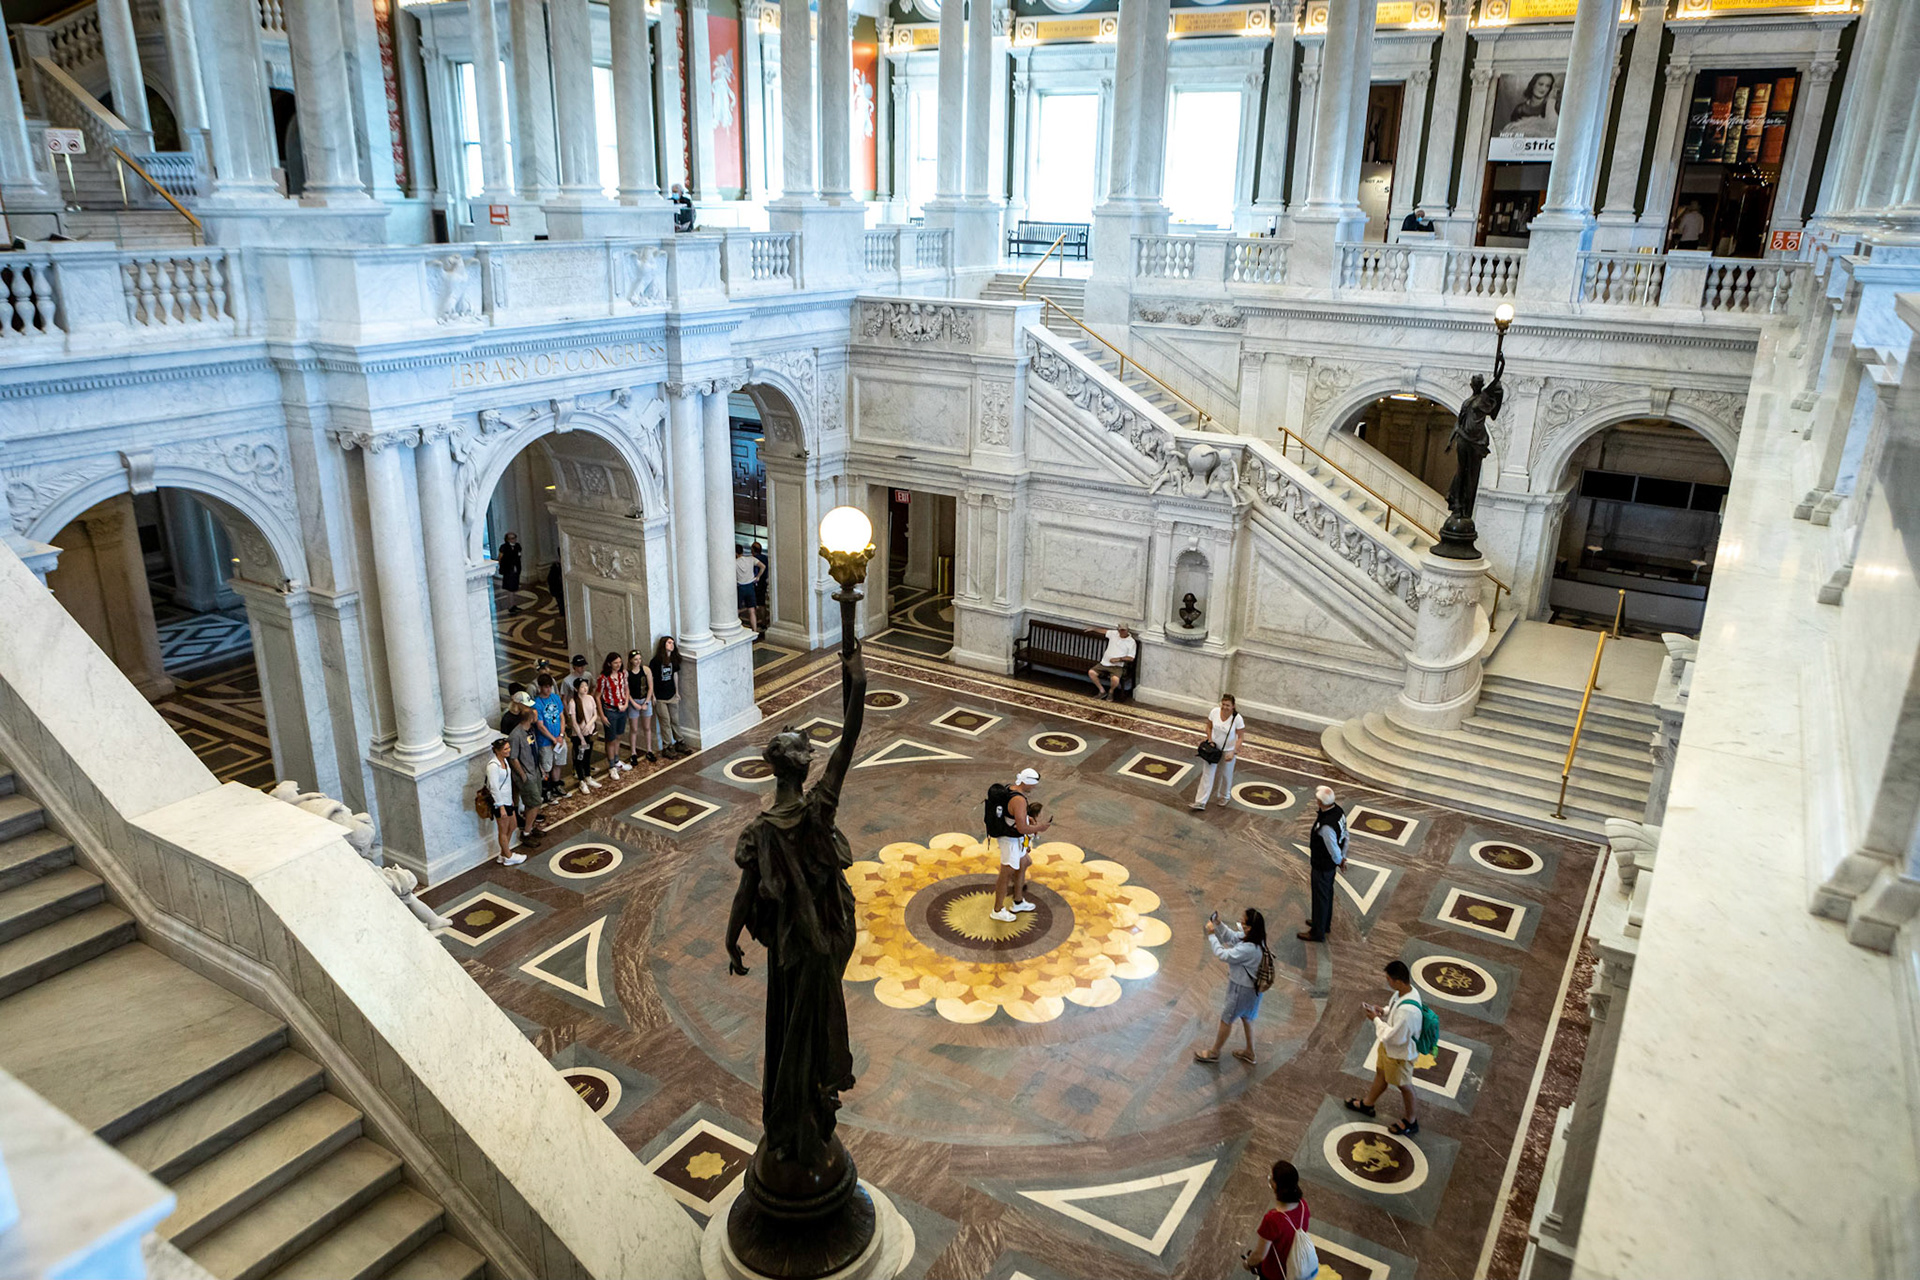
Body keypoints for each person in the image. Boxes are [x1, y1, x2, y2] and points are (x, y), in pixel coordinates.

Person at [1345, 959, 1424, 1136]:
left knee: (1404, 1086)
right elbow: (1395, 1008)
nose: (1387, 982)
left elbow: (1395, 1037)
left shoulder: (1408, 1012)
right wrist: (1384, 1011)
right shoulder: (1404, 992)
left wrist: (1375, 1019)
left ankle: (1411, 1120)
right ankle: (1368, 1104)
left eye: (1389, 979)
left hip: (1400, 1055)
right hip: (1389, 1050)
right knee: (1381, 1073)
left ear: (1398, 981)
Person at [1194, 907, 1268, 1064]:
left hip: (1241, 990)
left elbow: (1223, 954)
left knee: (1227, 1018)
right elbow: (1233, 937)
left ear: (1250, 928)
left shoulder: (1248, 949)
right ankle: (1250, 1052)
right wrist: (1218, 924)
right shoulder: (1257, 940)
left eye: (1243, 922)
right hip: (1253, 990)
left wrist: (1212, 935)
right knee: (1247, 1018)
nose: (1240, 922)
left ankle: (1214, 1052)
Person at [985, 768, 1051, 923]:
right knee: (1006, 874)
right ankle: (997, 910)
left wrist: (1027, 818)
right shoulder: (1019, 800)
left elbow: (1012, 813)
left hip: (1014, 838)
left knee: (1024, 862)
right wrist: (1039, 827)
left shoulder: (1010, 788)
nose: (1034, 787)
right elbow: (1022, 828)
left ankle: (1018, 901)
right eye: (1033, 784)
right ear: (1027, 782)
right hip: (1010, 840)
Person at [1243, 1161, 1310, 1280]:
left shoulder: (1273, 1220)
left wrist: (1248, 1263)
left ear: (1276, 1186)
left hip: (1274, 1273)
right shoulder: (1303, 1206)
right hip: (1295, 1266)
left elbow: (1259, 1255)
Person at [1300, 785, 1348, 942]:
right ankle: (1322, 923)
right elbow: (1346, 835)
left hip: (1322, 864)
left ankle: (1317, 932)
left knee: (1320, 897)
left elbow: (1332, 848)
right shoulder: (1338, 812)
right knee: (1326, 894)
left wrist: (1340, 860)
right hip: (1328, 865)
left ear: (1320, 802)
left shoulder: (1327, 826)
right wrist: (1343, 856)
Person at [1190, 693, 1245, 813]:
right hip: (1213, 750)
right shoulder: (1214, 712)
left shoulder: (1237, 719)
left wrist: (1234, 751)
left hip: (1228, 751)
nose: (1225, 707)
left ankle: (1225, 796)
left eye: (1228, 705)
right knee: (1207, 775)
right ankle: (1200, 801)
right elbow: (1209, 727)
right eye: (1223, 704)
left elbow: (1240, 737)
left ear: (1233, 706)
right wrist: (1210, 740)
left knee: (1225, 775)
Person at [507, 698, 547, 847]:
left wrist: (539, 768)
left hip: (535, 770)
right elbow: (513, 758)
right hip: (526, 774)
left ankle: (530, 826)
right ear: (530, 718)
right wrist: (523, 775)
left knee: (534, 802)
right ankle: (526, 833)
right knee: (535, 802)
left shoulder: (530, 730)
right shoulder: (515, 735)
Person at [484, 737, 524, 865]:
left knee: (513, 825)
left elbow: (507, 783)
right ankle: (508, 856)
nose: (508, 750)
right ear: (497, 751)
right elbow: (494, 787)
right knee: (503, 830)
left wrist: (510, 799)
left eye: (508, 748)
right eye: (505, 749)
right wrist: (501, 806)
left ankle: (503, 854)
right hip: (499, 803)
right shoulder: (493, 766)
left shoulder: (505, 761)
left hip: (507, 800)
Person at [650, 636, 688, 757]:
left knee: (675, 720)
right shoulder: (656, 661)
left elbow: (675, 675)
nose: (672, 645)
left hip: (671, 694)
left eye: (672, 643)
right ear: (663, 645)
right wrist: (653, 695)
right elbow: (651, 679)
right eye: (669, 643)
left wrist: (677, 692)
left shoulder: (673, 659)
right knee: (665, 721)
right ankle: (667, 746)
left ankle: (679, 741)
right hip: (660, 696)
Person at [597, 652, 633, 775]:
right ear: (609, 664)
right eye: (615, 663)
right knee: (610, 739)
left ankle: (617, 760)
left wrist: (626, 703)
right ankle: (611, 765)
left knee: (618, 736)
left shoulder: (622, 674)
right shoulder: (603, 678)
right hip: (610, 710)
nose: (618, 665)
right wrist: (602, 715)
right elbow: (597, 696)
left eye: (620, 662)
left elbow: (626, 689)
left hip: (622, 709)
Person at [532, 673, 567, 802]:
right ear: (540, 687)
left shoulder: (555, 698)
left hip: (559, 738)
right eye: (546, 687)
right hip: (545, 741)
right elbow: (540, 725)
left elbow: (562, 717)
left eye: (550, 687)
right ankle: (546, 790)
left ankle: (556, 785)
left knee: (559, 762)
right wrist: (553, 739)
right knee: (546, 766)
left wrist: (561, 735)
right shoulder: (537, 703)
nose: (548, 689)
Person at [565, 675, 600, 793]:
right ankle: (581, 780)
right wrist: (581, 738)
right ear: (576, 689)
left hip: (589, 732)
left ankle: (588, 777)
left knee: (587, 756)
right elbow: (574, 722)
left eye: (586, 686)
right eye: (582, 686)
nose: (585, 688)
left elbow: (595, 714)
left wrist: (589, 725)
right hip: (579, 736)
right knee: (579, 758)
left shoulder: (590, 698)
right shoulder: (573, 702)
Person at [1086, 624, 1136, 701]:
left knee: (1115, 679)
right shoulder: (1114, 634)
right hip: (1104, 663)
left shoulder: (1131, 642)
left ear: (1127, 630)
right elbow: (1104, 631)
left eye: (1124, 630)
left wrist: (1119, 659)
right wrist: (1094, 629)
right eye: (1120, 630)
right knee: (1091, 672)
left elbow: (1131, 658)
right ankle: (1102, 691)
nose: (1122, 632)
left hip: (1117, 666)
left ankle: (1111, 692)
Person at [627, 648, 659, 764]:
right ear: (631, 660)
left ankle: (649, 750)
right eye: (636, 659)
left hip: (645, 700)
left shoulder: (646, 670)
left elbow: (650, 687)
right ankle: (633, 752)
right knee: (634, 728)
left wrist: (646, 702)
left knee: (647, 727)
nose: (638, 661)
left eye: (639, 659)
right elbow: (627, 691)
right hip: (633, 701)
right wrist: (634, 703)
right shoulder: (627, 673)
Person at [736, 545, 764, 634]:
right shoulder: (751, 559)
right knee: (752, 610)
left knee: (737, 610)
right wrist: (758, 577)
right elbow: (763, 566)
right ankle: (754, 630)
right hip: (750, 586)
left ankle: (736, 628)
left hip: (740, 587)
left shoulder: (735, 563)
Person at [497, 532, 523, 615]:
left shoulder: (517, 546)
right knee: (510, 588)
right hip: (508, 570)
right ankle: (510, 606)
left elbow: (518, 556)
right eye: (511, 538)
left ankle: (513, 605)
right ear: (507, 539)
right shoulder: (504, 547)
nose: (513, 540)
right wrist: (502, 567)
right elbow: (500, 558)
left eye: (514, 538)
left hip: (516, 570)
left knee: (514, 587)